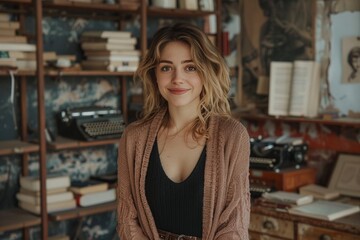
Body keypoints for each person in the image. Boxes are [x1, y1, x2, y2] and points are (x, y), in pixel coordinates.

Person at [117, 22, 250, 240]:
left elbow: (234, 224)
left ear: (206, 71)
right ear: (155, 74)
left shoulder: (232, 135)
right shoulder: (133, 137)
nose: (177, 78)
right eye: (166, 68)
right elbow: (127, 219)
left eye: (190, 67)